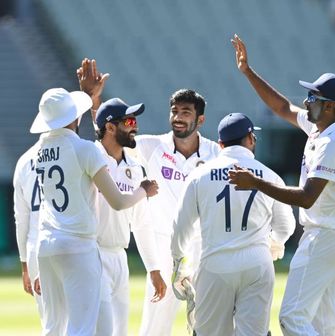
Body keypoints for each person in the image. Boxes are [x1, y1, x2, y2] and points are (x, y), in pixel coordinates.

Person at [77, 58, 220, 335]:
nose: (178, 117)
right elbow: (110, 136)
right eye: (174, 111)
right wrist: (94, 102)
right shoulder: (151, 146)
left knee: (209, 322)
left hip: (203, 245)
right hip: (164, 245)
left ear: (200, 119)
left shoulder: (215, 154)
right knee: (155, 327)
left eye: (186, 112)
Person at [229, 34, 335, 335]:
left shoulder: (334, 141)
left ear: (329, 106)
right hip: (332, 233)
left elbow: (307, 197)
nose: (306, 101)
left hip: (325, 235)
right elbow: (282, 107)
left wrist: (255, 183)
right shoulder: (320, 126)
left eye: (313, 97)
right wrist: (248, 71)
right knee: (324, 323)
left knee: (291, 318)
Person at [30, 87, 158, 335]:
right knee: (83, 327)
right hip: (79, 246)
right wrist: (144, 190)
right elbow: (119, 202)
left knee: (53, 327)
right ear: (74, 117)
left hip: (47, 246)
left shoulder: (40, 152)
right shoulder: (85, 149)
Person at [171, 112, 296, 335]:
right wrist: (274, 243)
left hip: (215, 264)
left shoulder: (199, 175)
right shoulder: (269, 175)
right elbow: (286, 225)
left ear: (220, 144)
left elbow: (181, 226)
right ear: (250, 139)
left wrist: (180, 263)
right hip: (257, 263)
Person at [92, 98, 167, 336]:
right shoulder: (90, 156)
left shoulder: (135, 167)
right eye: (129, 121)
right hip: (90, 254)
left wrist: (154, 269)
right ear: (110, 127)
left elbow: (141, 222)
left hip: (119, 258)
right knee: (99, 330)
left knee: (119, 331)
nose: (134, 126)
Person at [13, 137, 44, 326]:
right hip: (70, 243)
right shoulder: (73, 151)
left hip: (35, 246)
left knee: (50, 322)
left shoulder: (24, 160)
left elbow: (21, 221)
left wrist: (24, 265)